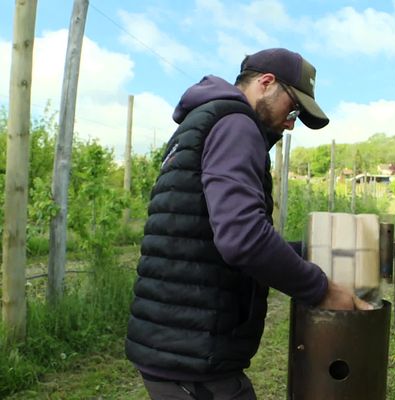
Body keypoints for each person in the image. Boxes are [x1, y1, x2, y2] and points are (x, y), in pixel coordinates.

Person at [125, 48, 371, 400]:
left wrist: (312, 253)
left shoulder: (203, 121)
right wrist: (323, 291)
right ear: (266, 83)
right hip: (194, 357)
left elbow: (209, 233)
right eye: (294, 108)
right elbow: (243, 239)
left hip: (176, 344)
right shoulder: (237, 125)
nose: (291, 123)